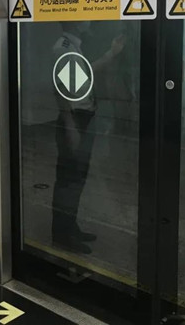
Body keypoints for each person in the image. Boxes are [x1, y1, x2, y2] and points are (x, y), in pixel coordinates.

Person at [51, 21, 125, 254]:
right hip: (74, 120)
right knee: (69, 179)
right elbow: (61, 88)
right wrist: (70, 125)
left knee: (77, 177)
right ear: (74, 21)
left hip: (82, 118)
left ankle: (70, 226)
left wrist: (111, 54)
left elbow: (83, 76)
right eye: (83, 15)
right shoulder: (63, 48)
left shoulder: (73, 45)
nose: (89, 19)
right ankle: (62, 235)